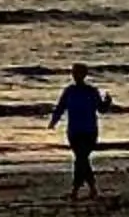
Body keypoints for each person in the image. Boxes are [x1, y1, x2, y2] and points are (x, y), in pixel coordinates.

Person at [47, 65, 117, 199]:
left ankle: (77, 190)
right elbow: (61, 107)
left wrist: (107, 102)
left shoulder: (91, 91)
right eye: (74, 73)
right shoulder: (69, 91)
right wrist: (53, 122)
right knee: (81, 159)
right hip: (74, 131)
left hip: (89, 130)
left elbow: (101, 109)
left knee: (81, 159)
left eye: (77, 73)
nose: (75, 75)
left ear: (83, 75)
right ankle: (90, 189)